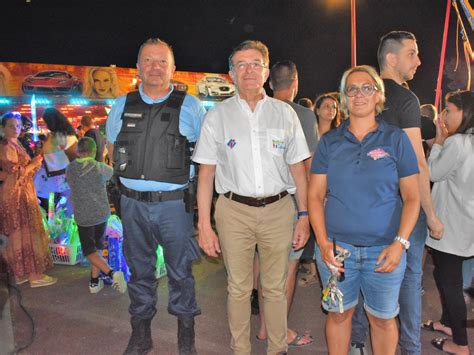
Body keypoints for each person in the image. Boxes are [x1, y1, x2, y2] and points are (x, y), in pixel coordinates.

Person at [193, 40, 310, 355]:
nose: (248, 70)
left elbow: (298, 169)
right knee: (239, 289)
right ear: (231, 74)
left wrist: (304, 215)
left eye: (255, 63)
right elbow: (206, 174)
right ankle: (240, 350)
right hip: (233, 211)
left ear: (266, 71)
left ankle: (277, 348)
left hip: (279, 210)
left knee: (274, 288)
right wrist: (204, 224)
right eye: (241, 64)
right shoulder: (217, 117)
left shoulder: (284, 114)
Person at [309, 65, 420, 355]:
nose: (360, 94)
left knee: (382, 320)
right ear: (344, 97)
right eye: (352, 89)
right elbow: (315, 196)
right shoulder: (329, 142)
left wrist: (400, 244)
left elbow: (412, 198)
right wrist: (322, 244)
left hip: (384, 251)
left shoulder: (396, 139)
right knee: (339, 314)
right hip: (337, 250)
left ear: (378, 95)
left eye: (367, 87)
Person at [106, 37, 205, 355]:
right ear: (138, 67)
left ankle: (186, 336)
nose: (155, 67)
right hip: (132, 205)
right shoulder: (122, 104)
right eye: (148, 60)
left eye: (162, 61)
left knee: (181, 273)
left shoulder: (191, 106)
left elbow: (205, 160)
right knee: (140, 271)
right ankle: (141, 334)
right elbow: (112, 151)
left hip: (175, 207)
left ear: (173, 68)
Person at [350, 31, 444, 355]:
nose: (418, 61)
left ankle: (358, 343)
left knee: (367, 273)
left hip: (366, 208)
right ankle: (410, 349)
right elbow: (417, 161)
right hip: (403, 208)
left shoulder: (362, 97)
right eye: (412, 54)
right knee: (408, 279)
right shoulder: (405, 100)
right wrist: (430, 215)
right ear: (391, 58)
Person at [252, 59, 317, 348]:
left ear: (269, 82)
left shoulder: (257, 110)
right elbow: (310, 166)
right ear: (295, 83)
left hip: (255, 202)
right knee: (287, 269)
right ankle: (279, 330)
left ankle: (264, 327)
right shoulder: (303, 115)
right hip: (290, 202)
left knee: (262, 264)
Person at [422, 90, 474, 355]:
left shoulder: (458, 143)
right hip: (466, 223)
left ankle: (460, 344)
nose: (443, 116)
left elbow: (432, 172)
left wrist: (439, 142)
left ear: (464, 113)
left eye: (449, 110)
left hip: (451, 225)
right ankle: (446, 323)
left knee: (450, 283)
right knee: (443, 275)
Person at [0, 112, 57, 287]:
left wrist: (33, 163)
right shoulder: (7, 146)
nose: (16, 129)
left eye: (18, 126)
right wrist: (33, 164)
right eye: (11, 126)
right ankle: (34, 275)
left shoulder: (14, 144)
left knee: (20, 232)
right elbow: (16, 173)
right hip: (17, 195)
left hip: (20, 192)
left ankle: (21, 273)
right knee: (27, 232)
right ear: (3, 128)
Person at [66, 136, 127, 294]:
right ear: (94, 152)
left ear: (78, 151)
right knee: (97, 247)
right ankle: (94, 282)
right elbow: (114, 175)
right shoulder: (100, 167)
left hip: (83, 215)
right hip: (101, 213)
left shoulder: (70, 168)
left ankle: (111, 273)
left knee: (89, 252)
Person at [34, 107, 77, 216]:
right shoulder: (57, 135)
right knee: (58, 211)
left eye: (46, 122)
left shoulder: (64, 136)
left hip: (59, 180)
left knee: (63, 211)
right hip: (54, 180)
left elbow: (74, 157)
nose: (46, 125)